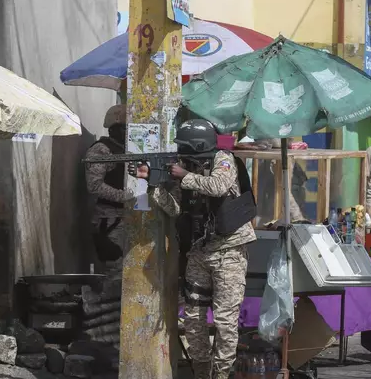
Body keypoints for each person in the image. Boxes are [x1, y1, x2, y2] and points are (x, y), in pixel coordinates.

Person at [133, 119, 256, 379]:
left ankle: (221, 376)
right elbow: (175, 208)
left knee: (224, 322)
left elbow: (218, 186)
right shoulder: (186, 168)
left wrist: (184, 175)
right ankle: (201, 373)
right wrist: (152, 184)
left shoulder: (223, 160)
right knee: (193, 319)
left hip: (229, 251)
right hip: (199, 252)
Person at [85, 119, 134, 277]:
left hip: (129, 217)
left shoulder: (128, 149)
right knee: (115, 269)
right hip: (110, 219)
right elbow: (94, 186)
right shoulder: (102, 149)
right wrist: (124, 197)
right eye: (125, 128)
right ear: (115, 129)